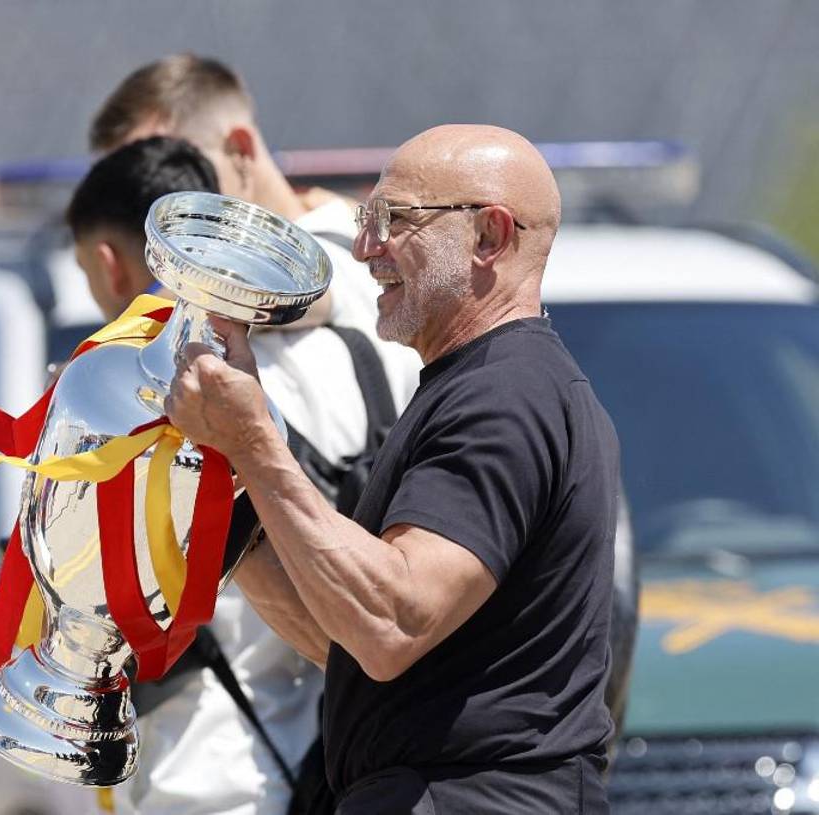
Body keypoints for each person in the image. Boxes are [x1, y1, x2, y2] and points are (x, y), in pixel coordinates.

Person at [165, 125, 619, 814]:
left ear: (490, 237)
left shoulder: (506, 395)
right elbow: (347, 637)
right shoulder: (482, 384)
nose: (364, 249)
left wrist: (256, 444)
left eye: (394, 220)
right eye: (365, 220)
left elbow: (392, 623)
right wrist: (228, 477)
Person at [66, 136, 396, 815]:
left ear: (108, 263)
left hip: (211, 768)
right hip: (348, 755)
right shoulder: (370, 341)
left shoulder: (161, 395)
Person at [89, 52, 418, 408]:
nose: (144, 202)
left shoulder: (346, 247)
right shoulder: (337, 223)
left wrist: (110, 349)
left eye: (167, 167)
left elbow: (291, 290)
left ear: (239, 151)